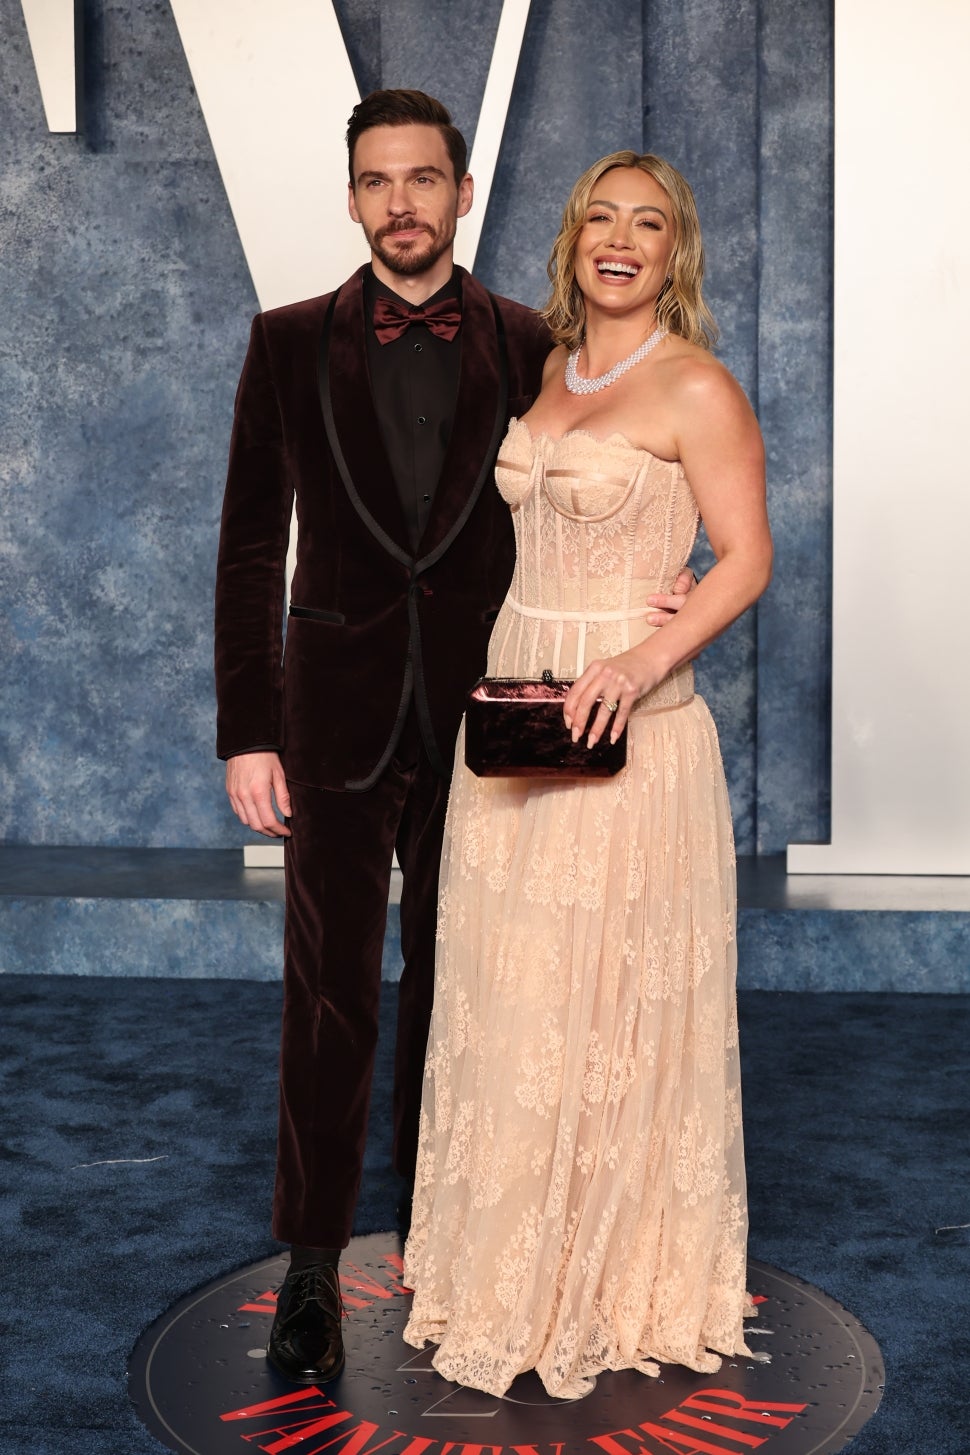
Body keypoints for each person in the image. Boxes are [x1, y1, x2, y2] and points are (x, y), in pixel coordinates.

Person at [215, 91, 700, 1386]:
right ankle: (312, 1267)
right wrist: (247, 731)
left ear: (462, 192)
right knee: (328, 996)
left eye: (423, 179)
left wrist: (663, 584)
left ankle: (447, 1248)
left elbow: (609, 476)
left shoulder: (534, 342)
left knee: (470, 990)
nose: (401, 203)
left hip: (494, 717)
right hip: (331, 718)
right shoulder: (286, 342)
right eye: (378, 182)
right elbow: (251, 547)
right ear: (352, 198)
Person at [402, 150, 773, 1400]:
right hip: (514, 713)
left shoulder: (695, 385)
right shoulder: (546, 370)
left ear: (676, 252)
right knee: (512, 991)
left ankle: (610, 1275)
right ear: (571, 242)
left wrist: (647, 651)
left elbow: (745, 556)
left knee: (604, 1003)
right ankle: (500, 1260)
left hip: (629, 724)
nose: (620, 239)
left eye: (647, 223)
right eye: (599, 218)